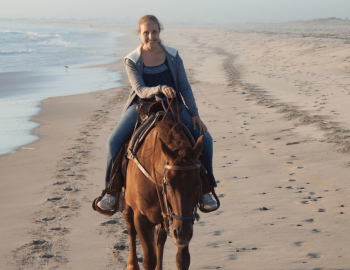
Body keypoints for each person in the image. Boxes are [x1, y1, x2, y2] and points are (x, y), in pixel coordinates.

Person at [98, 15, 217, 211]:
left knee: (206, 139)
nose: (151, 36)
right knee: (112, 141)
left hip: (173, 105)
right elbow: (140, 90)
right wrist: (160, 88)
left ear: (159, 32)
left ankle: (206, 189)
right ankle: (111, 192)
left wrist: (194, 113)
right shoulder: (132, 59)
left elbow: (185, 87)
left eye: (154, 32)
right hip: (142, 106)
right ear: (139, 34)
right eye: (146, 33)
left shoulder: (173, 55)